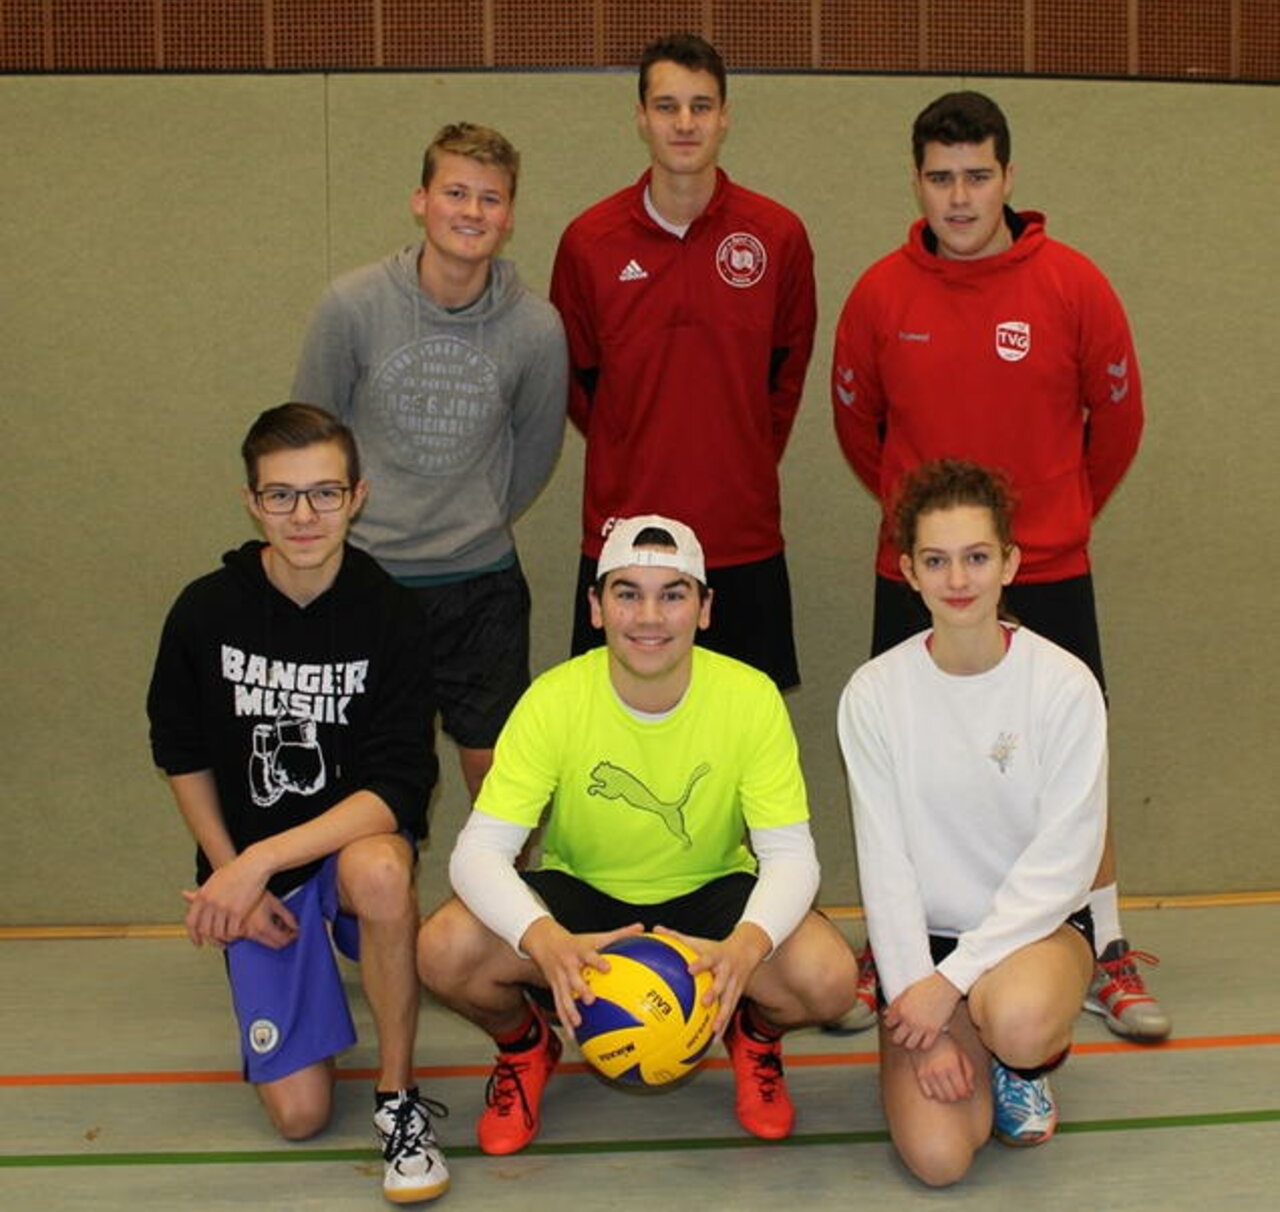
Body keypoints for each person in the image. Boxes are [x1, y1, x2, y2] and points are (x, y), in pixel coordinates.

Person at [830, 90, 1168, 1041]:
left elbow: (1120, 422)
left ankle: (1101, 946)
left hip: (1049, 562)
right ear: (918, 182)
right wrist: (927, 541)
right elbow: (860, 429)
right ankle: (896, 949)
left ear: (1009, 177)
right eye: (941, 177)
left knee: (1077, 771)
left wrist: (1052, 519)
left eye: (978, 174)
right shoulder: (880, 295)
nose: (960, 196)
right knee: (902, 769)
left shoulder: (1074, 285)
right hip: (923, 576)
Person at [415, 515, 858, 1155]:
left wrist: (743, 949)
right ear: (595, 607)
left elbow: (790, 857)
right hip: (583, 894)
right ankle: (524, 1047)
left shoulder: (750, 697)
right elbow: (479, 853)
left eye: (673, 594)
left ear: (704, 609)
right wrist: (545, 941)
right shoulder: (554, 699)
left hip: (710, 893)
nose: (649, 616)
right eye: (627, 593)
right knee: (443, 950)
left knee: (829, 977)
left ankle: (753, 1038)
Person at [147, 403, 448, 1204]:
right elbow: (179, 751)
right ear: (251, 502)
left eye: (324, 493)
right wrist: (230, 876)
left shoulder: (393, 616)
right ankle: (301, 981)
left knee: (385, 872)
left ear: (358, 496)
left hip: (341, 858)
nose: (304, 516)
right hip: (257, 876)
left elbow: (397, 788)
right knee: (301, 1116)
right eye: (281, 496)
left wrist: (258, 861)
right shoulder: (205, 610)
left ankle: (397, 1097)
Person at [838, 459, 1106, 1184]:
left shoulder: (1064, 686)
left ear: (1010, 563)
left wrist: (949, 984)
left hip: (1034, 936)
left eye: (977, 557)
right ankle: (953, 1042)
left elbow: (1065, 866)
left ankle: (1023, 1062)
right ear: (909, 572)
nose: (959, 580)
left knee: (1016, 1020)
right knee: (939, 1160)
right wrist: (920, 1013)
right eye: (937, 560)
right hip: (924, 952)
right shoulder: (874, 694)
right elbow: (885, 865)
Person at [293, 121, 568, 800]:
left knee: (502, 777)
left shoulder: (537, 328)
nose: (471, 212)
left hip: (480, 587)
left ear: (508, 217)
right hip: (363, 580)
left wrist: (469, 517)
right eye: (455, 192)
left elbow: (535, 451)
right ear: (421, 200)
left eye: (490, 199)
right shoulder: (351, 306)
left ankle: (502, 908)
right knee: (359, 770)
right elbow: (309, 444)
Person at [551, 33, 817, 690]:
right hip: (624, 540)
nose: (685, 123)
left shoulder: (777, 236)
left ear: (725, 115)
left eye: (701, 106)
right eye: (667, 106)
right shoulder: (589, 242)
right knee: (612, 732)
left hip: (741, 537)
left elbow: (783, 383)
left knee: (743, 740)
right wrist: (636, 444)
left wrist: (738, 452)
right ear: (640, 117)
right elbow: (579, 386)